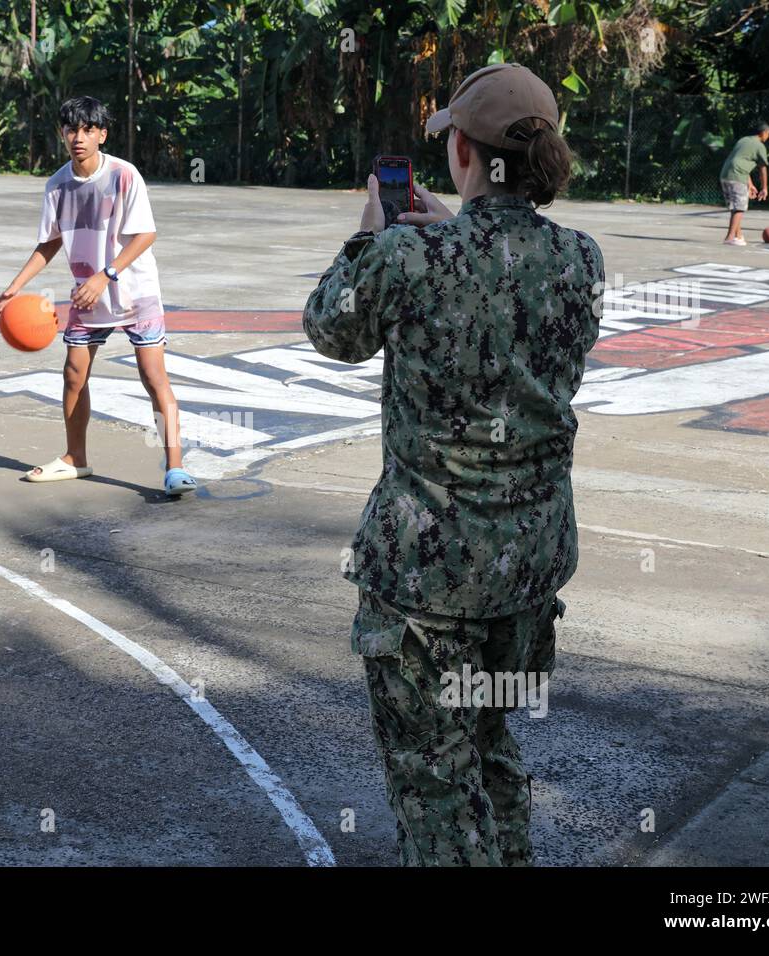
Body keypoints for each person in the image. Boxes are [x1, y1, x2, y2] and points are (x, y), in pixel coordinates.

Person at [302, 63, 604, 866]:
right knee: (490, 739)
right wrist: (449, 233)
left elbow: (332, 329)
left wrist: (374, 232)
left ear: (463, 154)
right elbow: (505, 291)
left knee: (434, 778)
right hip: (530, 573)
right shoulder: (582, 259)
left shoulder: (407, 257)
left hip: (428, 581)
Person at [0, 95, 195, 496]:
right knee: (73, 375)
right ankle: (75, 459)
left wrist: (107, 274)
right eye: (71, 130)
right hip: (87, 296)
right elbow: (50, 243)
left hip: (135, 292)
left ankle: (175, 468)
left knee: (154, 377)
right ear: (62, 134)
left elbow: (145, 234)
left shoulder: (123, 175)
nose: (78, 137)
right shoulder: (57, 185)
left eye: (87, 130)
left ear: (101, 134)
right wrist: (13, 287)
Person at [719, 122, 769, 246]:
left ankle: (738, 236)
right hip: (737, 176)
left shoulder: (743, 140)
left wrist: (750, 184)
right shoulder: (759, 146)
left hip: (725, 174)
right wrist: (764, 188)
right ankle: (730, 237)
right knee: (740, 207)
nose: (768, 137)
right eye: (768, 134)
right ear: (763, 133)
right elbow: (762, 168)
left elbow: (740, 160)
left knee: (735, 207)